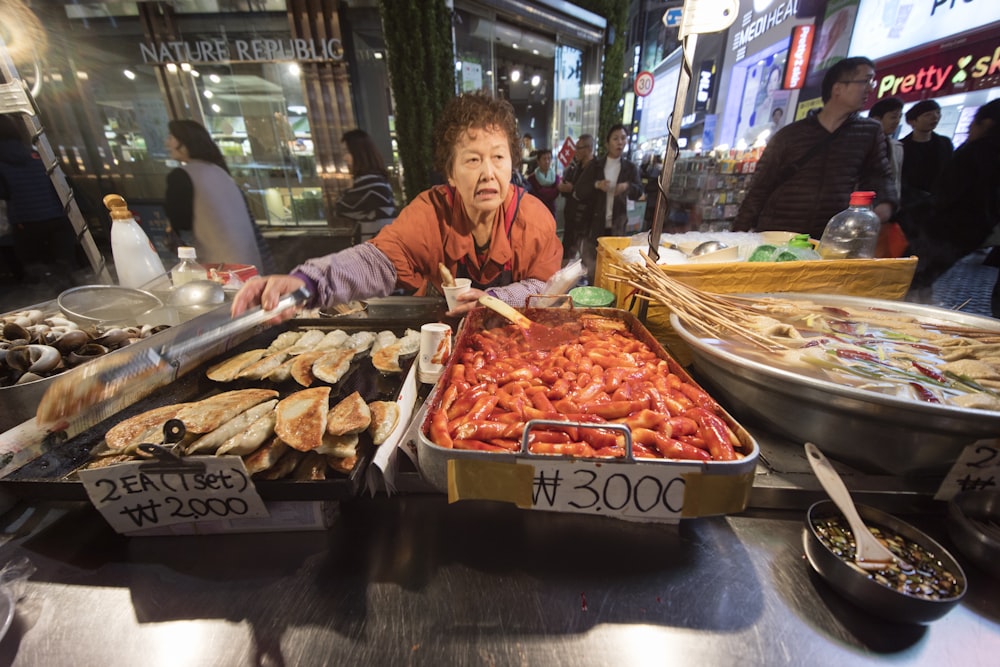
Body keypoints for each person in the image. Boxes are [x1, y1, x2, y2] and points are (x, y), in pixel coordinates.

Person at [231, 92, 563, 318]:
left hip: (514, 349)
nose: (488, 173)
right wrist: (308, 283)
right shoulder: (431, 213)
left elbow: (543, 287)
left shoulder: (533, 219)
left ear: (512, 164)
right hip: (442, 338)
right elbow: (378, 261)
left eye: (498, 158)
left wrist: (496, 299)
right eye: (473, 160)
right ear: (450, 172)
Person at [733, 57, 897, 239]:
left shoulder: (869, 133)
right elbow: (759, 187)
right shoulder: (790, 135)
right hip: (779, 232)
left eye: (871, 82)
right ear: (838, 88)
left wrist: (886, 202)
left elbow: (879, 175)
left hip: (830, 236)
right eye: (865, 81)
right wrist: (736, 236)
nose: (870, 88)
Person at [906, 100, 1000, 311]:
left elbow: (946, 195)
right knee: (921, 279)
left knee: (914, 278)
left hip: (941, 230)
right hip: (969, 234)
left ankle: (907, 314)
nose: (969, 130)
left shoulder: (971, 151)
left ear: (986, 123)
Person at [165, 119, 271, 271]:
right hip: (250, 263)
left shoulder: (182, 176)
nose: (167, 143)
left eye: (170, 137)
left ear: (183, 141)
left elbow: (181, 224)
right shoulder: (220, 171)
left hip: (219, 268)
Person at [0, 114, 78, 287]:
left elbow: (4, 195)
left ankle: (47, 304)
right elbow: (62, 184)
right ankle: (74, 302)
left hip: (25, 223)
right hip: (58, 218)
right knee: (65, 269)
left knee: (38, 273)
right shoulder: (38, 154)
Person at [572, 124, 643, 281]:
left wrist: (627, 186)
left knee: (614, 268)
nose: (620, 142)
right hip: (594, 226)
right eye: (615, 138)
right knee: (593, 267)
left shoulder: (629, 168)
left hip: (617, 227)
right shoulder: (596, 165)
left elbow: (639, 191)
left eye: (623, 138)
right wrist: (597, 185)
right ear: (607, 143)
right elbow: (579, 190)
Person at [899, 100, 954, 240]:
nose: (935, 117)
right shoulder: (902, 146)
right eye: (928, 115)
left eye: (937, 113)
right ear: (912, 121)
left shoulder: (944, 143)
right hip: (910, 204)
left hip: (938, 204)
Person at [335, 129, 397, 242]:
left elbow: (340, 206)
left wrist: (350, 187)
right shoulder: (378, 181)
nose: (344, 158)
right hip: (379, 250)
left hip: (372, 253)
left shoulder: (370, 183)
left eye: (347, 152)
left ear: (359, 153)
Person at [868, 97, 908, 257]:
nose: (897, 121)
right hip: (862, 209)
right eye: (893, 116)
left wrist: (892, 204)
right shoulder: (861, 146)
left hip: (885, 213)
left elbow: (895, 180)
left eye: (899, 117)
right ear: (877, 118)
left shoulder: (896, 147)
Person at [557, 133, 594, 260]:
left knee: (585, 254)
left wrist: (573, 189)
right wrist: (564, 188)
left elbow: (590, 192)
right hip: (571, 216)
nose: (575, 151)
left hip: (586, 220)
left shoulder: (596, 168)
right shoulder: (575, 167)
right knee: (567, 249)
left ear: (589, 149)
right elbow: (566, 184)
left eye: (579, 148)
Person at [527, 148, 560, 217]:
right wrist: (553, 190)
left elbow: (554, 194)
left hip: (551, 211)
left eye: (549, 158)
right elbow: (535, 196)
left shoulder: (556, 177)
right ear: (538, 161)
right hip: (537, 212)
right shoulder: (532, 179)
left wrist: (543, 192)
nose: (547, 161)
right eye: (544, 159)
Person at [641, 154, 663, 232]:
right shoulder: (659, 168)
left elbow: (650, 180)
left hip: (652, 196)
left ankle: (649, 229)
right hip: (655, 196)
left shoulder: (655, 168)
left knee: (650, 214)